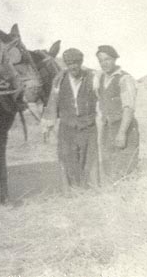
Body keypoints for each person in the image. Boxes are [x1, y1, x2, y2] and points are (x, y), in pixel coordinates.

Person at [40, 48, 99, 189]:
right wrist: (47, 125)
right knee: (68, 159)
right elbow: (52, 102)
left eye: (76, 63)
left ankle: (91, 192)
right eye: (70, 63)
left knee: (89, 160)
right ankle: (72, 192)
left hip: (88, 127)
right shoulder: (59, 80)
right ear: (66, 64)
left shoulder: (92, 77)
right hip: (67, 127)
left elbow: (100, 99)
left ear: (81, 62)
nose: (73, 66)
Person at [95, 45, 139, 183]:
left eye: (107, 59)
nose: (104, 63)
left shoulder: (125, 79)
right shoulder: (101, 79)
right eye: (101, 60)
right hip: (108, 128)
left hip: (123, 127)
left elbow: (129, 108)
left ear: (115, 59)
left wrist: (122, 132)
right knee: (109, 166)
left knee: (125, 167)